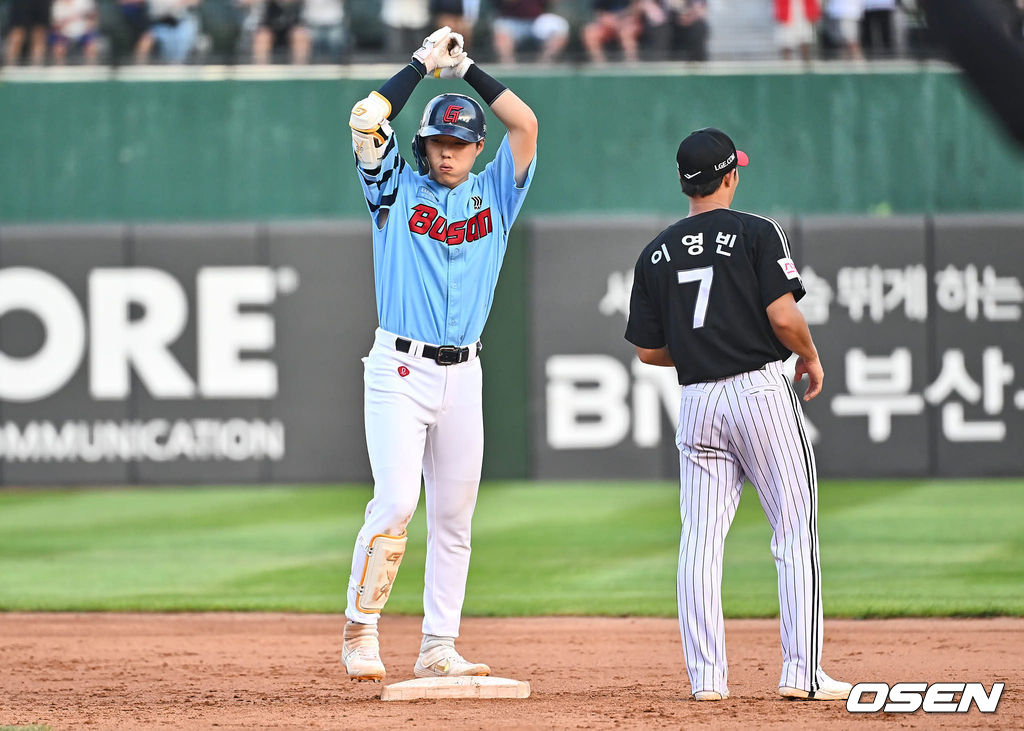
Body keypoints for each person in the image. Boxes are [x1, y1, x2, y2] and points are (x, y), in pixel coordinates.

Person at [623, 127, 852, 702]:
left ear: (684, 183)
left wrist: (703, 346)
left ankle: (707, 682)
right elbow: (782, 315)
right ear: (731, 176)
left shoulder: (655, 251)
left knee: (700, 541)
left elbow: (650, 351)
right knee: (794, 534)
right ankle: (802, 675)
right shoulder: (755, 231)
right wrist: (810, 353)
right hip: (759, 393)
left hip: (697, 400)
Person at [342, 26, 538, 682]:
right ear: (422, 145)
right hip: (399, 367)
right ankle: (361, 628)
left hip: (464, 372)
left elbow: (526, 124)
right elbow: (367, 118)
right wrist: (423, 68)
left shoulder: (496, 193)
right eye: (436, 142)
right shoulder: (394, 189)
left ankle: (438, 645)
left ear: (475, 147)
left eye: (457, 142)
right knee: (397, 501)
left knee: (454, 517)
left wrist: (470, 70)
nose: (446, 153)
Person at [491, 0, 569, 64]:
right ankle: (508, 65)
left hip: (536, 19)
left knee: (560, 25)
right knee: (501, 28)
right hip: (512, 20)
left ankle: (545, 63)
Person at [4, 0, 52, 64]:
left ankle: (36, 69)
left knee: (39, 35)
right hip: (21, 3)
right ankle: (9, 67)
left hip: (41, 3)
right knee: (17, 35)